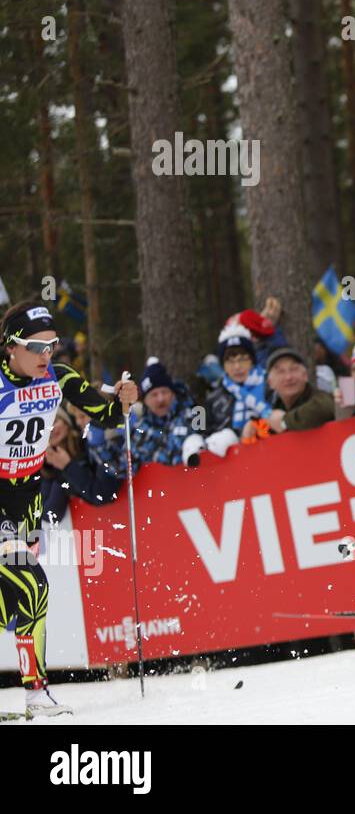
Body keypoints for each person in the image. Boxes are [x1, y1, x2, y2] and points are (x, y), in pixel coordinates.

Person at [1, 302, 138, 717]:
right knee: (33, 585)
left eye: (52, 345)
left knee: (19, 602)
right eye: (36, 346)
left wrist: (126, 400)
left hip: (27, 499)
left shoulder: (59, 378)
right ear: (10, 348)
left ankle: (35, 697)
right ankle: (37, 692)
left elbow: (108, 412)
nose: (47, 355)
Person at [40, 405, 120, 524]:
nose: (51, 430)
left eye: (54, 422)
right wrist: (59, 471)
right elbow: (51, 513)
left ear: (66, 421)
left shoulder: (89, 441)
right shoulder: (49, 464)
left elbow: (103, 493)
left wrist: (67, 467)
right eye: (45, 430)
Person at [203, 325, 271, 453]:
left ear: (252, 360)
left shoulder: (269, 385)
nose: (237, 367)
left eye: (242, 359)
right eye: (230, 361)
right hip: (229, 463)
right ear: (223, 365)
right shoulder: (213, 396)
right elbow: (200, 429)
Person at [264, 347, 335, 432]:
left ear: (305, 375)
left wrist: (285, 422)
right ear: (270, 382)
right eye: (280, 372)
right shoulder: (274, 408)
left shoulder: (320, 399)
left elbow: (325, 408)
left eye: (294, 369)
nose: (288, 377)